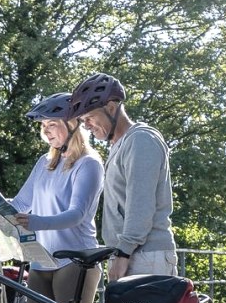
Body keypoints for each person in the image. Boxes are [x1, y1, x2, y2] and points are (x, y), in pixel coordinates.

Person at [7, 93, 104, 303]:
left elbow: (76, 214)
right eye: (43, 126)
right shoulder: (44, 163)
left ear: (73, 124)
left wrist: (34, 222)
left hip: (75, 262)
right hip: (42, 261)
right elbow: (19, 203)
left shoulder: (89, 163)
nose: (46, 131)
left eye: (52, 124)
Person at [65, 72, 177, 283]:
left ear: (111, 107)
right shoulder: (120, 144)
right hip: (127, 253)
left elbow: (141, 203)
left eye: (89, 118)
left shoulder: (141, 140)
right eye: (83, 121)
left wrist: (124, 253)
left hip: (143, 255)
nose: (86, 126)